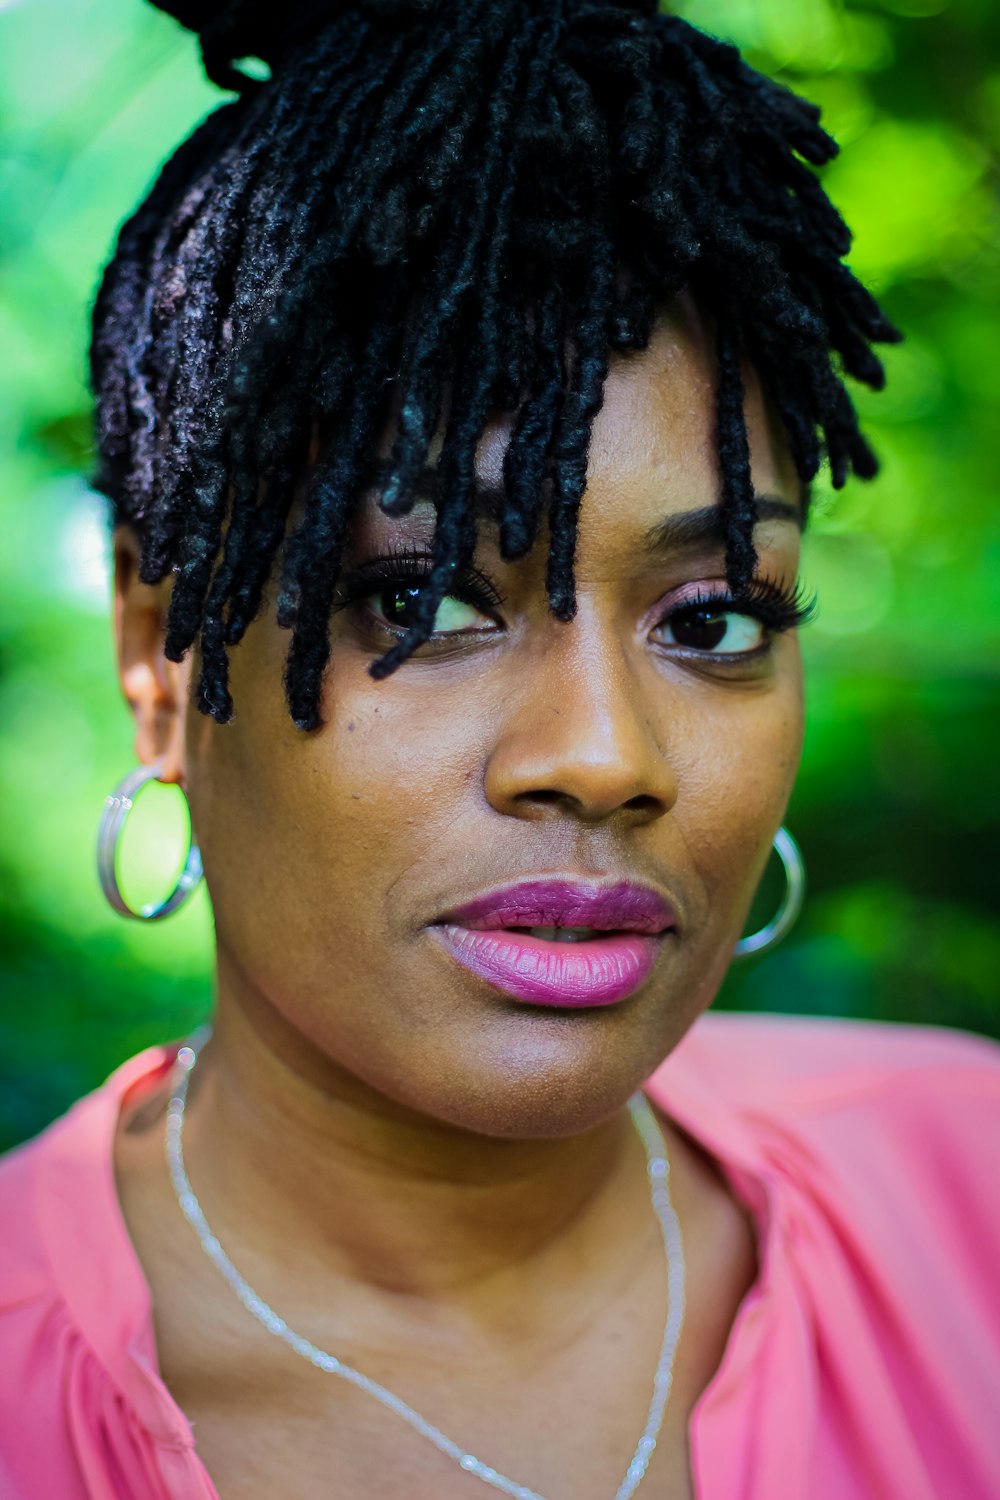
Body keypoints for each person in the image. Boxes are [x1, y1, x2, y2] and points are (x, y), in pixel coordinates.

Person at [1, 2, 998, 1497]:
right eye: (422, 600)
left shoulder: (969, 1195)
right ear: (162, 654)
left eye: (716, 619)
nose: (605, 758)